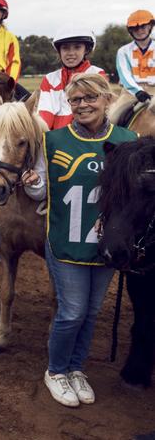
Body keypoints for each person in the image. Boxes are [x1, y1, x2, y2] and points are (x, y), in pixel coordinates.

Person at [22, 73, 137, 408]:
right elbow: (42, 189)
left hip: (106, 246)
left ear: (106, 99)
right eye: (76, 100)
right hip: (65, 240)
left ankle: (76, 368)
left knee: (90, 312)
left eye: (90, 98)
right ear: (68, 105)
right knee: (71, 312)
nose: (83, 105)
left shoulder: (127, 140)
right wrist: (31, 184)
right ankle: (56, 370)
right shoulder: (53, 141)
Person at [38, 28, 105, 130]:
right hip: (55, 137)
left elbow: (93, 113)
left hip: (86, 134)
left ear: (86, 50)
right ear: (59, 51)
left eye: (77, 47)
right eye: (65, 48)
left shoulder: (97, 74)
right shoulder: (49, 79)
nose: (71, 53)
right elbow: (45, 113)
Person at [116, 10, 155, 102]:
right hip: (130, 92)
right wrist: (137, 91)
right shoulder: (123, 51)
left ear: (150, 26)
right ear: (130, 30)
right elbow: (124, 75)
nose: (139, 30)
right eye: (135, 28)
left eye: (143, 26)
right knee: (114, 115)